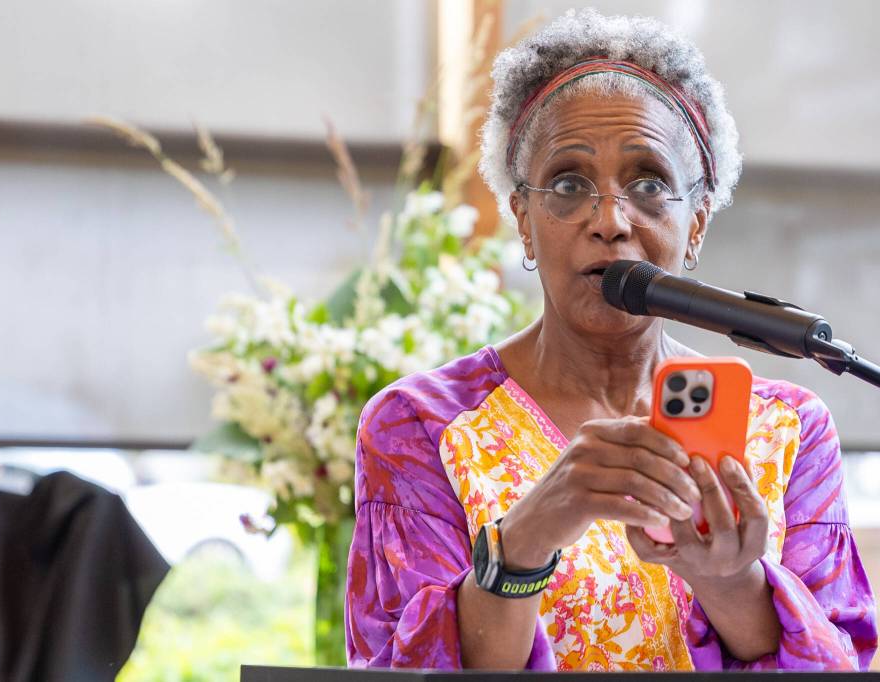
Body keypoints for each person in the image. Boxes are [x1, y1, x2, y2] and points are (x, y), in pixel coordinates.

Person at [344, 8, 877, 672]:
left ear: (697, 222)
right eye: (569, 185)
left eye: (649, 184)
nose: (610, 221)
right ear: (523, 220)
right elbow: (401, 667)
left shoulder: (789, 430)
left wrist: (727, 580)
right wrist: (525, 539)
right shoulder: (418, 425)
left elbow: (839, 664)